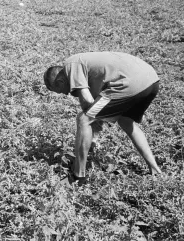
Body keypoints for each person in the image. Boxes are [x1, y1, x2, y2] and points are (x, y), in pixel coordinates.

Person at [44, 52, 162, 185]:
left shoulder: (71, 65)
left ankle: (78, 176)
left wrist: (91, 135)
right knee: (126, 122)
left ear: (60, 82)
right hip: (150, 80)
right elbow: (96, 107)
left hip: (128, 83)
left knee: (83, 119)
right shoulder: (88, 70)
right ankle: (155, 170)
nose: (66, 94)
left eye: (59, 91)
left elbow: (88, 101)